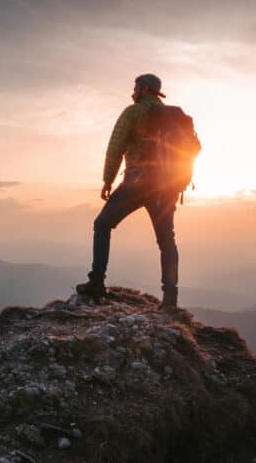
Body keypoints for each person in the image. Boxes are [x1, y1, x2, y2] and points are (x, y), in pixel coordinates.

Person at [76, 73, 182, 310]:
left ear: (144, 90)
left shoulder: (133, 112)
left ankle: (96, 282)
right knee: (166, 239)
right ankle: (170, 299)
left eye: (135, 88)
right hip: (166, 188)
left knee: (102, 225)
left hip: (138, 182)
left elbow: (116, 146)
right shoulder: (175, 117)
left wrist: (107, 180)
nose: (132, 92)